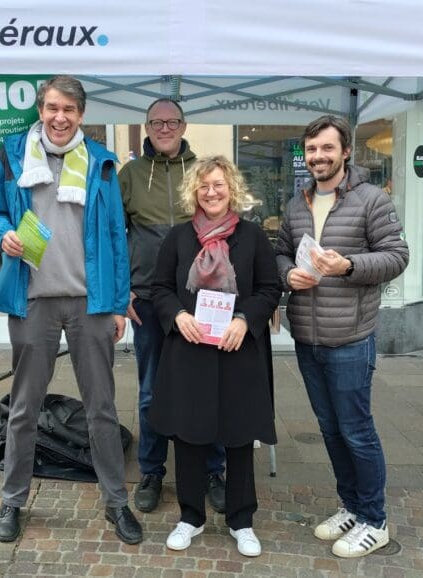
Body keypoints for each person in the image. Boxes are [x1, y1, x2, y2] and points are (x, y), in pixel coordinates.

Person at [0, 75, 142, 545]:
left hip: (90, 303)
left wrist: (117, 303)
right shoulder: (13, 154)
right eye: (52, 107)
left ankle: (117, 502)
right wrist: (1, 234)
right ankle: (13, 500)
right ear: (41, 108)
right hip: (32, 300)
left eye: (69, 110)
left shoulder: (100, 162)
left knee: (102, 409)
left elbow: (116, 235)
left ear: (81, 115)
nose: (59, 117)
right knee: (24, 408)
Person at [275, 115, 408, 558]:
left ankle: (375, 519)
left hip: (351, 336)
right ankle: (351, 506)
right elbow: (279, 254)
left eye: (327, 149)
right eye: (312, 150)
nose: (319, 157)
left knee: (356, 431)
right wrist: (287, 274)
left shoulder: (371, 200)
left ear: (345, 151)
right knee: (330, 429)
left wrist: (348, 266)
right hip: (307, 337)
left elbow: (396, 256)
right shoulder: (297, 204)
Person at [148, 155, 280, 557]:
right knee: (189, 436)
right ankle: (191, 517)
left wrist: (245, 320)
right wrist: (178, 315)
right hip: (190, 352)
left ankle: (241, 521)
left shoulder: (253, 237)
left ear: (232, 188)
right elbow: (159, 288)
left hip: (237, 352)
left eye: (219, 184)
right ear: (195, 192)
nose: (211, 192)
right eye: (204, 186)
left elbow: (271, 289)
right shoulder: (178, 237)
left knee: (239, 437)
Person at [118, 98, 226, 515]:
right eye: (156, 122)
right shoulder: (130, 175)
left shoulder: (202, 173)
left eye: (172, 121)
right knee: (151, 391)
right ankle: (151, 471)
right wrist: (121, 290)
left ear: (183, 126)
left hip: (201, 299)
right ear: (146, 127)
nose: (164, 128)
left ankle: (213, 470)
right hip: (146, 299)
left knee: (207, 387)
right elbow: (116, 234)